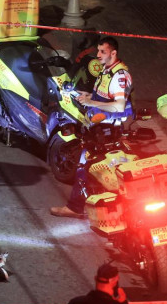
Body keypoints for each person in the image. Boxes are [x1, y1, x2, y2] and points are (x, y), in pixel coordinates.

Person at [50, 36, 133, 218]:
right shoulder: (106, 71)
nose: (98, 55)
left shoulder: (120, 76)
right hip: (97, 128)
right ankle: (99, 207)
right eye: (98, 51)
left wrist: (91, 101)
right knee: (94, 170)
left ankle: (77, 207)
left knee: (86, 167)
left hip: (108, 131)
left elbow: (119, 105)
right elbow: (102, 97)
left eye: (102, 51)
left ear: (113, 53)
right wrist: (84, 95)